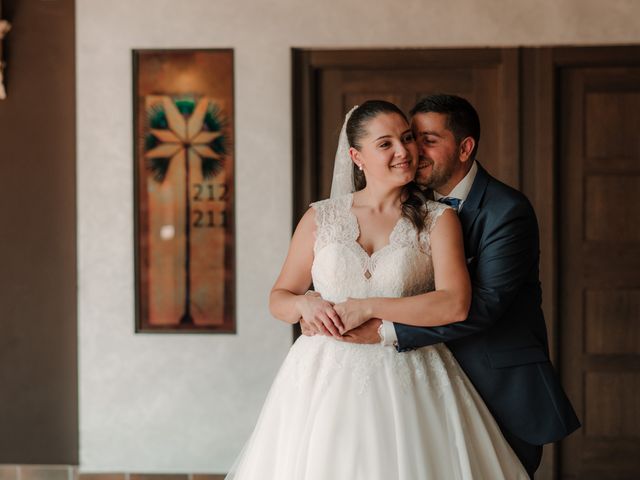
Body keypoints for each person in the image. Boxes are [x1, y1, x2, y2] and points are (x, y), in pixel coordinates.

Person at [226, 100, 529, 479]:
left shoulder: (439, 219)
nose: (404, 151)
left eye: (407, 139)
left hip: (409, 376)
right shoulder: (321, 217)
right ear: (357, 156)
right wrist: (305, 304)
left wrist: (368, 308)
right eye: (386, 144)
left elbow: (454, 303)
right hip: (321, 381)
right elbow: (279, 298)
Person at [303, 94, 581, 477]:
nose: (412, 150)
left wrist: (381, 328)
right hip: (414, 385)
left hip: (493, 380)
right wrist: (315, 304)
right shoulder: (412, 204)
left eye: (426, 139)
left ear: (465, 148)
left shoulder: (506, 211)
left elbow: (483, 305)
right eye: (409, 138)